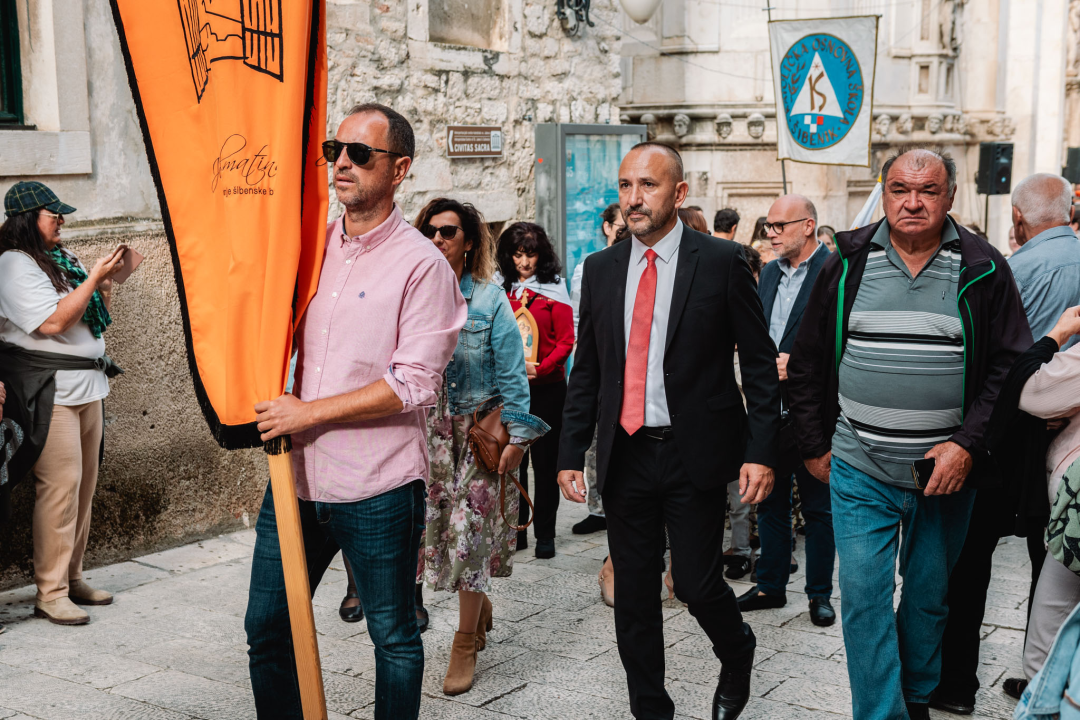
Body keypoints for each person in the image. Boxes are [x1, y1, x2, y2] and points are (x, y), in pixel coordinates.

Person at [787, 148, 1031, 720]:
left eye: (927, 190)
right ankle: (881, 713)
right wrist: (814, 445)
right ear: (885, 192)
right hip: (857, 464)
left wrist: (967, 444)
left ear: (950, 197)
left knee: (927, 599)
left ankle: (917, 696)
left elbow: (1010, 366)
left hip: (943, 473)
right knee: (866, 601)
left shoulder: (984, 266)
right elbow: (806, 361)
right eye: (900, 189)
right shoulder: (845, 262)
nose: (912, 202)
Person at [245, 103, 467, 720]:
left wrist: (306, 414)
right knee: (266, 629)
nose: (341, 161)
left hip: (378, 485)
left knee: (392, 636)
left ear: (399, 169)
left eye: (359, 153)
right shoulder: (307, 245)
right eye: (333, 149)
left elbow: (415, 384)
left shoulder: (423, 264)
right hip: (293, 478)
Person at [557, 141, 781, 720]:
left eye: (648, 185)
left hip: (695, 453)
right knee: (633, 595)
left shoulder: (722, 262)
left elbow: (758, 366)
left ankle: (737, 648)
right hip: (625, 453)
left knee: (699, 586)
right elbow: (589, 368)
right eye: (626, 185)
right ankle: (650, 709)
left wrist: (761, 451)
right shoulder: (601, 269)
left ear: (678, 193)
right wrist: (568, 451)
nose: (634, 198)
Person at [935, 174, 1080, 713]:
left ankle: (955, 686)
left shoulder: (1012, 269)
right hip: (1066, 442)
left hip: (1003, 435)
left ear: (1017, 219)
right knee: (1057, 560)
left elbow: (993, 364)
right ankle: (1047, 678)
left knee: (970, 560)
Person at [413, 197, 549, 695]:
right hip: (429, 437)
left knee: (469, 536)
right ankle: (480, 604)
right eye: (429, 230)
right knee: (440, 541)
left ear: (469, 241)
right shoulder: (412, 296)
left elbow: (515, 381)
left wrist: (518, 442)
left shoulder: (490, 301)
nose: (436, 239)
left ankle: (464, 640)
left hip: (478, 437)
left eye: (447, 232)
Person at [0, 182, 125, 626]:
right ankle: (49, 592)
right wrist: (92, 278)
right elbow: (52, 322)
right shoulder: (13, 266)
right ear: (28, 219)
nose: (61, 220)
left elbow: (90, 316)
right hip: (49, 388)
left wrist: (105, 286)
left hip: (88, 387)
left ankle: (72, 577)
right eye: (53, 214)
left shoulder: (59, 258)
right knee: (59, 489)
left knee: (83, 488)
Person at [736, 195, 835, 626]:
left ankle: (819, 595)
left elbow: (846, 342)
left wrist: (797, 365)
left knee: (818, 508)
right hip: (768, 410)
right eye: (767, 227)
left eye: (778, 226)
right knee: (769, 502)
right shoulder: (769, 273)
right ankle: (771, 585)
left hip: (813, 410)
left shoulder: (836, 272)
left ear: (808, 225)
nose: (770, 234)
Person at [498, 223, 574, 559]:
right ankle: (518, 533)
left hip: (547, 391)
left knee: (545, 465)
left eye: (530, 254)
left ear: (541, 255)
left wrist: (539, 369)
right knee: (515, 462)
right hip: (513, 394)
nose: (525, 262)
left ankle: (545, 535)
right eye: (518, 254)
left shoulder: (555, 289)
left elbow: (566, 340)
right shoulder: (502, 290)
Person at [571, 202, 625, 537]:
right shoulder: (588, 268)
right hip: (600, 366)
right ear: (606, 227)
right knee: (594, 440)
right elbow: (582, 322)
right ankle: (597, 506)